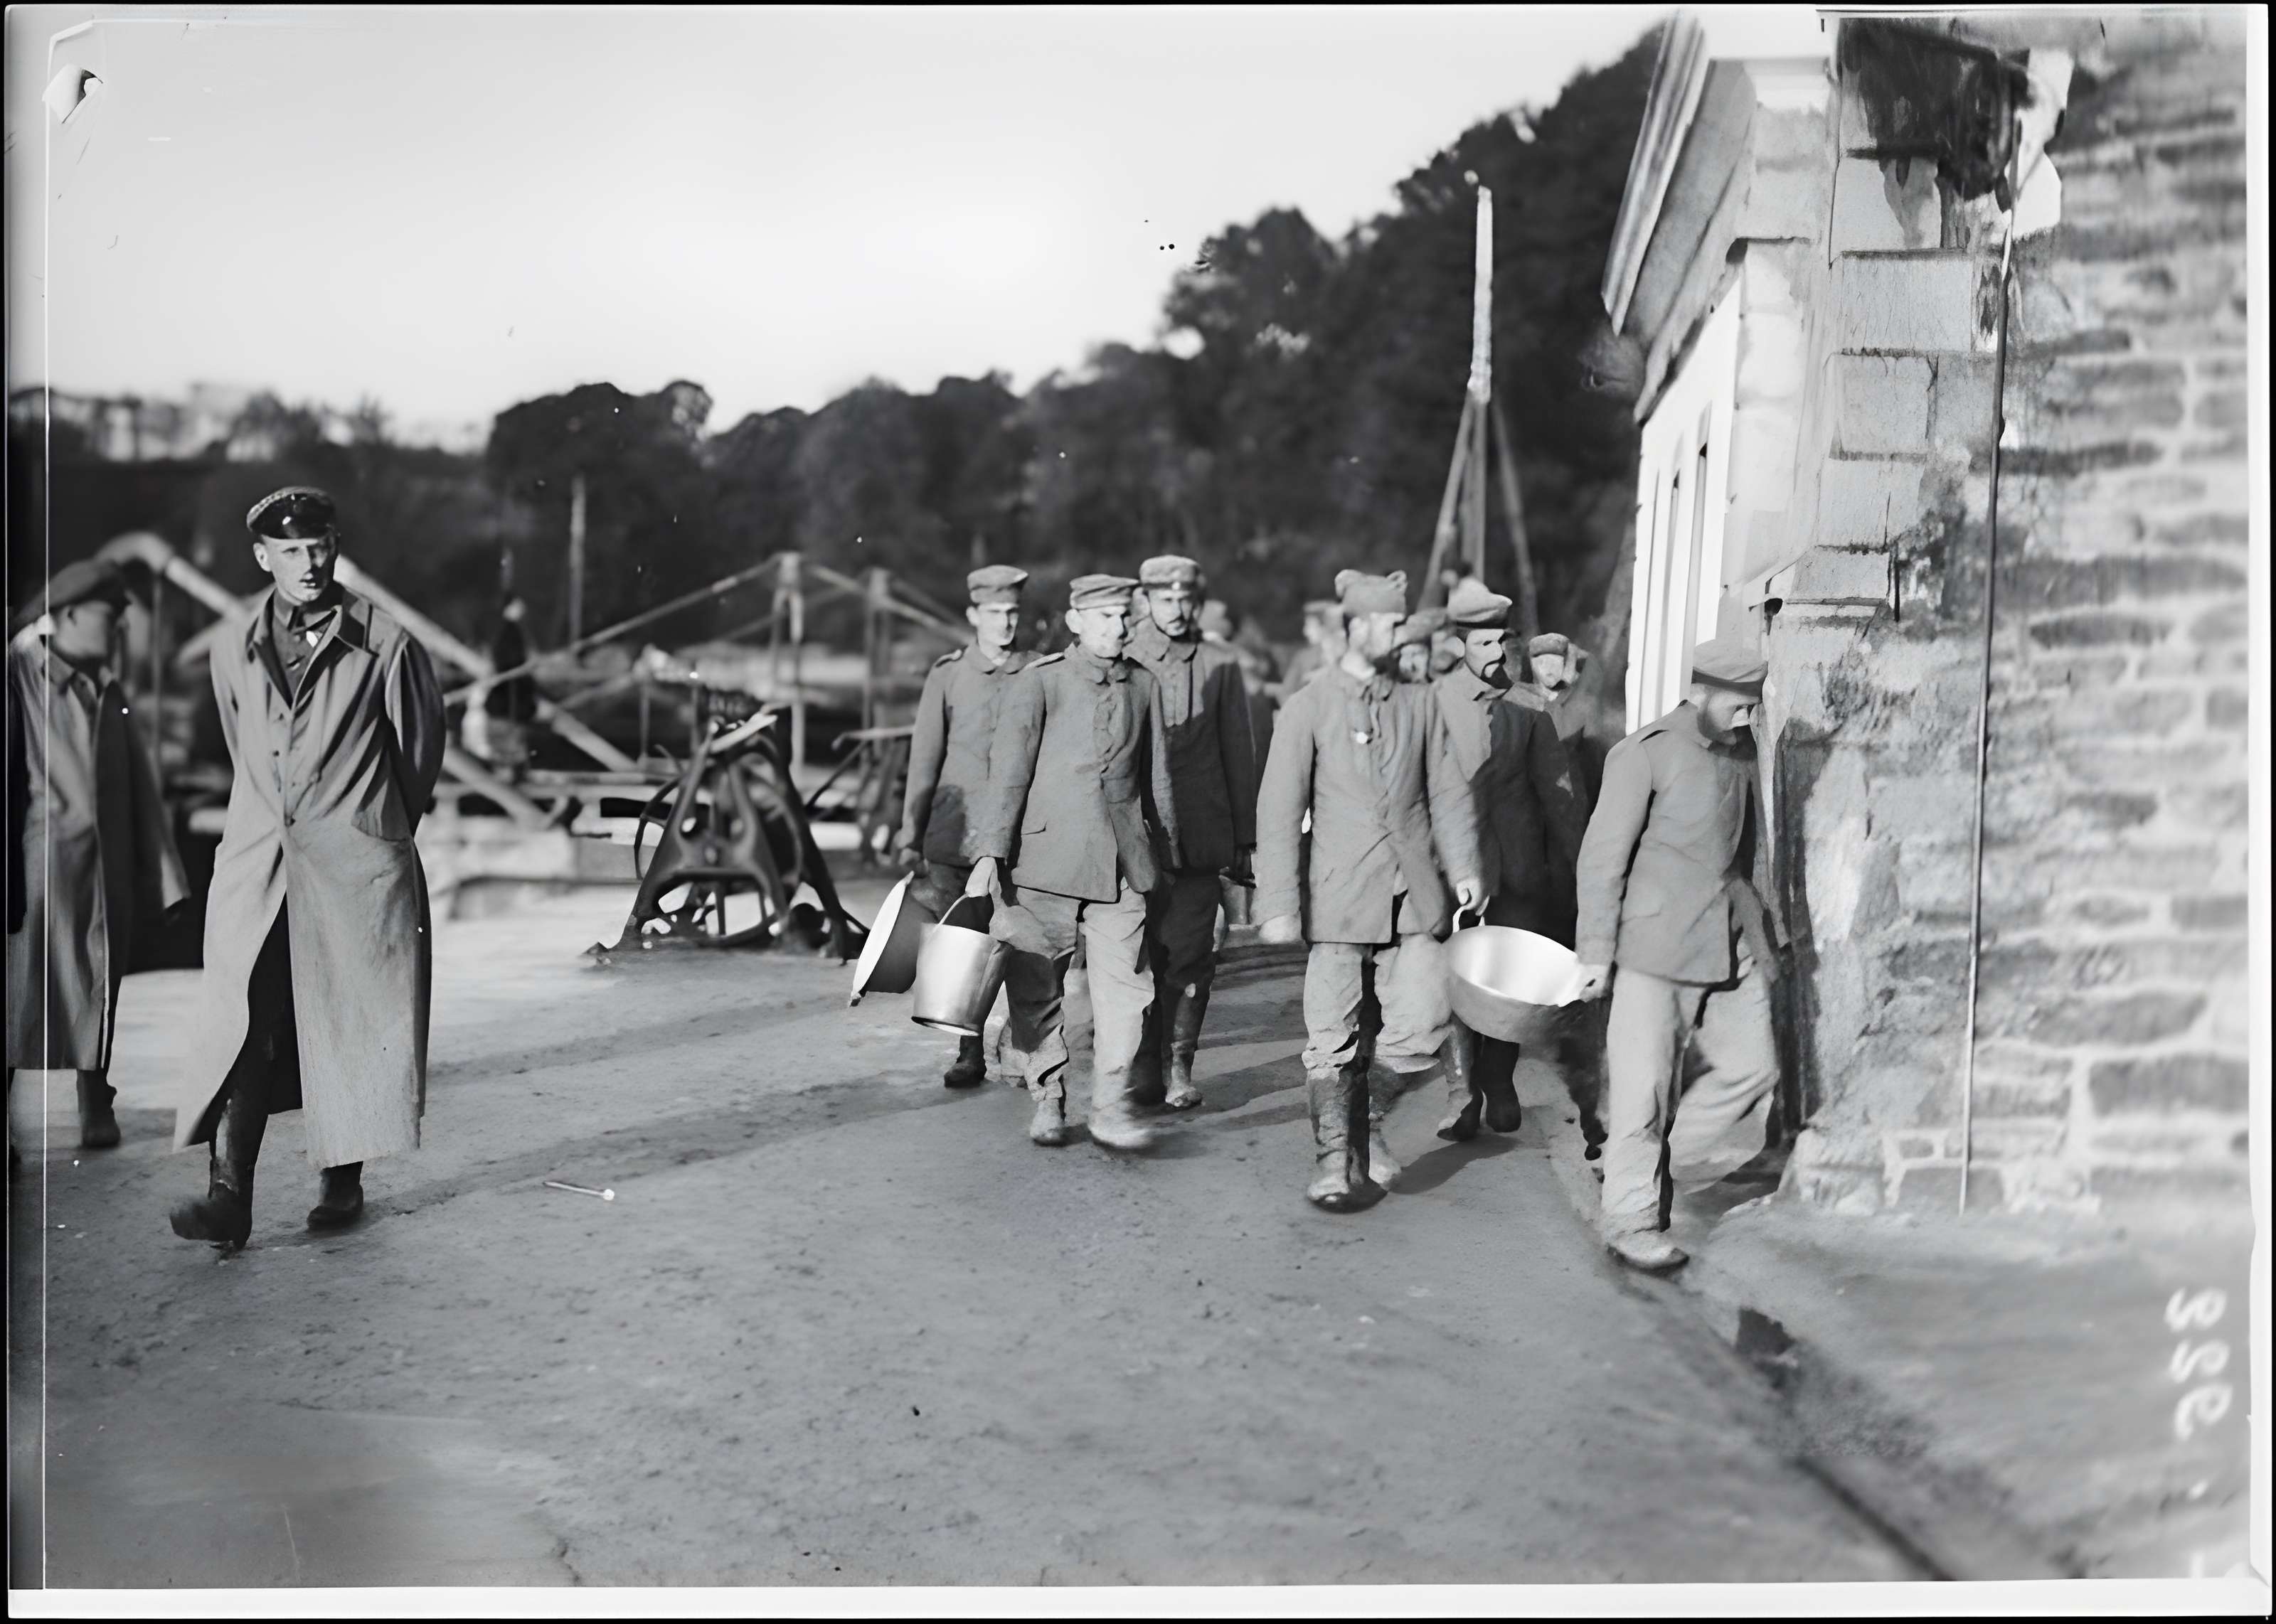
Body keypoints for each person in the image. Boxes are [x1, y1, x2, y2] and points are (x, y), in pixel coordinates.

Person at [169, 487, 447, 1252]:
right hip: (261, 864)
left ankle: (341, 1182)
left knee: (346, 1016)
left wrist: (368, 827)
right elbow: (242, 739)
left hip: (353, 861)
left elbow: (418, 757)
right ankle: (229, 1197)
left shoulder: (386, 643)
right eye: (289, 550)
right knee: (245, 1019)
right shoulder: (235, 643)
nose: (308, 562)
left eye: (318, 546)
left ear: (335, 547)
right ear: (263, 558)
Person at [1253, 570, 1482, 1211]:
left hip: (1414, 895)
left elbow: (1448, 791)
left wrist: (1464, 867)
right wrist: (1276, 903)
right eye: (1382, 623)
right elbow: (1278, 810)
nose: (1394, 632)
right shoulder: (1308, 706)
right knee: (1332, 1034)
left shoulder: (1420, 703)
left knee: (1425, 1022)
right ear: (1353, 628)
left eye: (1397, 621)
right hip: (1338, 895)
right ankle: (1334, 1162)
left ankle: (1368, 1119)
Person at [1571, 636, 1784, 1273]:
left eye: (1754, 707)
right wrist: (1594, 953)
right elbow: (1601, 859)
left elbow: (1755, 852)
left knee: (1757, 1066)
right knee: (1643, 1094)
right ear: (1704, 695)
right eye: (1742, 706)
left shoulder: (1742, 749)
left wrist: (1770, 942)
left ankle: (1644, 1168)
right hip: (1654, 947)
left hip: (1730, 942)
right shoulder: (1645, 754)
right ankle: (1631, 1219)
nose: (1750, 718)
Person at [966, 575, 1180, 1153]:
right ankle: (1049, 1096)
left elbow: (1157, 779)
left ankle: (1109, 1107)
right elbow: (1007, 776)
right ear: (1076, 621)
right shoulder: (1043, 684)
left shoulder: (1144, 686)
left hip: (1123, 869)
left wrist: (1167, 859)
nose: (1117, 626)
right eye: (1104, 616)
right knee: (1036, 991)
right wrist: (990, 856)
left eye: (1122, 615)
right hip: (1044, 866)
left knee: (1129, 995)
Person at [6, 559, 188, 1174]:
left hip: (102, 870)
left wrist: (166, 877)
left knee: (97, 984)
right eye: (110, 617)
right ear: (74, 615)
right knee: (20, 989)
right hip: (37, 866)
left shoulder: (108, 690)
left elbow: (141, 786)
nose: (118, 630)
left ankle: (94, 1098)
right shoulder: (17, 678)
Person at [1430, 579, 1588, 1143]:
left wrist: (1581, 863)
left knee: (1503, 981)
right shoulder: (1434, 701)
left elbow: (1560, 793)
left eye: (1503, 643)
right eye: (1484, 645)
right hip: (1450, 867)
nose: (1497, 655)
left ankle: (1498, 1079)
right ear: (1460, 646)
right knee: (1452, 979)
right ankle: (1460, 1092)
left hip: (1517, 870)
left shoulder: (1528, 707)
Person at [1123, 556, 1257, 1111]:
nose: (1177, 611)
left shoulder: (1219, 664)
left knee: (1191, 958)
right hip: (1138, 834)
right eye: (1165, 600)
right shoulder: (1124, 656)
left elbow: (1237, 753)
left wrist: (1245, 840)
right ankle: (1140, 1062)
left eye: (1185, 600)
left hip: (1200, 836)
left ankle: (1178, 1063)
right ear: (1146, 602)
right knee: (1134, 954)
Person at [893, 565, 1034, 1089]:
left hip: (1022, 838)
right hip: (957, 836)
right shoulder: (949, 674)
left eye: (1013, 612)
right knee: (964, 946)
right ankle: (968, 1050)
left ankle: (1025, 1047)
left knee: (1025, 947)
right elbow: (924, 761)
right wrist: (911, 835)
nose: (1005, 623)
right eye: (995, 613)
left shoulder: (1039, 670)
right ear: (975, 615)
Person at [485, 597, 537, 781]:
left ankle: (509, 769)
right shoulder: (509, 631)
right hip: (509, 702)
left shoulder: (509, 631)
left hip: (507, 703)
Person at [1275, 599, 1339, 698]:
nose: (1305, 632)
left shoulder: (1344, 652)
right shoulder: (1303, 657)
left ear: (1325, 625)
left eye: (1309, 626)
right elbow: (1285, 692)